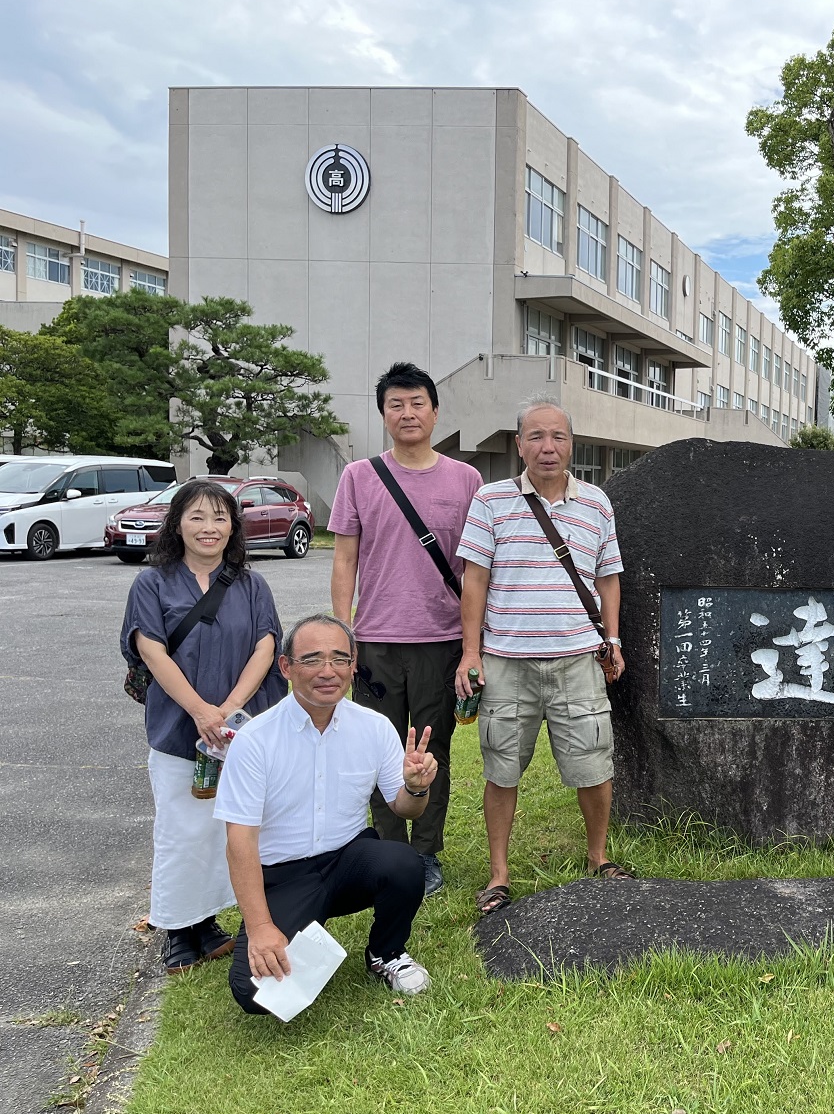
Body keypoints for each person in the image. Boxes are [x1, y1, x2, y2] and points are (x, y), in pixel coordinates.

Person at [456, 396, 629, 916]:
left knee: (593, 764)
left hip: (578, 657)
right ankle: (499, 873)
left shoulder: (597, 503)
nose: (547, 447)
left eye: (557, 436)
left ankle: (599, 857)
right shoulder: (490, 501)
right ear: (519, 445)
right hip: (507, 658)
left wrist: (613, 640)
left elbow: (608, 577)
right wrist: (470, 652)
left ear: (572, 444)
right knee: (501, 765)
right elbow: (475, 580)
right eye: (535, 436)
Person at [215, 614, 438, 1010]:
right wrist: (262, 926)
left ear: (354, 665)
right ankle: (290, 931)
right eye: (312, 659)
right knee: (253, 993)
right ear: (286, 667)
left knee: (403, 861)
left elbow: (403, 809)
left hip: (347, 862)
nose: (328, 671)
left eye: (339, 659)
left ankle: (386, 953)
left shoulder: (373, 727)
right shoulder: (255, 740)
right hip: (285, 877)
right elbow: (240, 842)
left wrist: (415, 788)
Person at [329, 362, 482, 897]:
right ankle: (388, 846)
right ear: (383, 415)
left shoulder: (466, 480)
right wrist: (341, 635)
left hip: (440, 639)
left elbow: (475, 570)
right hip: (374, 640)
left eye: (417, 402)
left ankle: (426, 851)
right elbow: (344, 560)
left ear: (435, 412)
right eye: (396, 404)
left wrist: (472, 646)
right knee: (378, 746)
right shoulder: (359, 477)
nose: (408, 413)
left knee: (433, 746)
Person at [120, 480, 285, 975]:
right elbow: (150, 647)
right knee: (179, 829)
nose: (208, 528)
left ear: (233, 525)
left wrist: (229, 711)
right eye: (196, 516)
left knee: (225, 828)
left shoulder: (251, 584)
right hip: (178, 727)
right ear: (176, 523)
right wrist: (199, 711)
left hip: (240, 730)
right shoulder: (152, 583)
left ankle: (207, 922)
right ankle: (176, 928)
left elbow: (266, 645)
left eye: (219, 517)